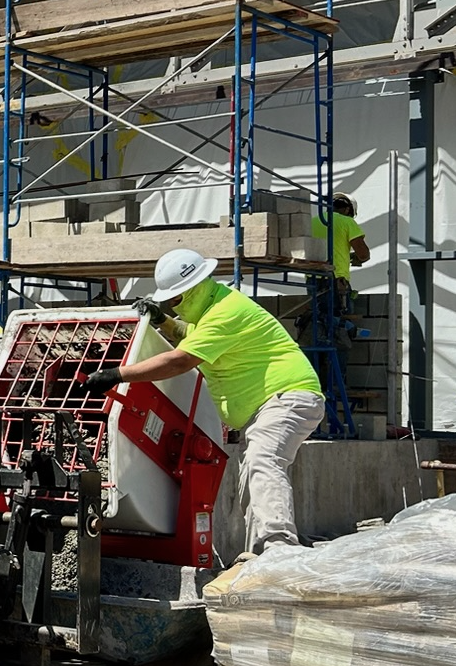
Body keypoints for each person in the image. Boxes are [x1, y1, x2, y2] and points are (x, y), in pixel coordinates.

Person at [86, 248, 323, 559]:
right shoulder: (212, 307)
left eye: (176, 300)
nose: (175, 306)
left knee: (263, 460)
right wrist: (162, 319)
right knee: (253, 468)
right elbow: (188, 335)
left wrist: (118, 374)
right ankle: (262, 553)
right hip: (271, 404)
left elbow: (180, 360)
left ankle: (277, 549)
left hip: (287, 396)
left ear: (194, 288)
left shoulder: (227, 312)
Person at [317, 193, 370, 286]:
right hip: (336, 277)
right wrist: (357, 258)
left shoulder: (314, 220)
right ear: (347, 209)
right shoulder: (347, 221)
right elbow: (363, 254)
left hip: (313, 276)